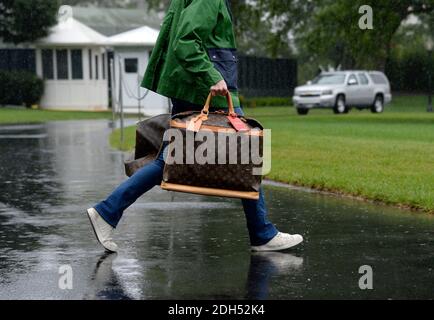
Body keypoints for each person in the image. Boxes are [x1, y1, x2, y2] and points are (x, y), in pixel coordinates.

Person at [86, 0, 303, 253]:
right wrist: (212, 76)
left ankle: (107, 212)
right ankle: (262, 233)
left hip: (189, 85)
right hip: (204, 88)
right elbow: (185, 41)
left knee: (170, 160)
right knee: (247, 153)